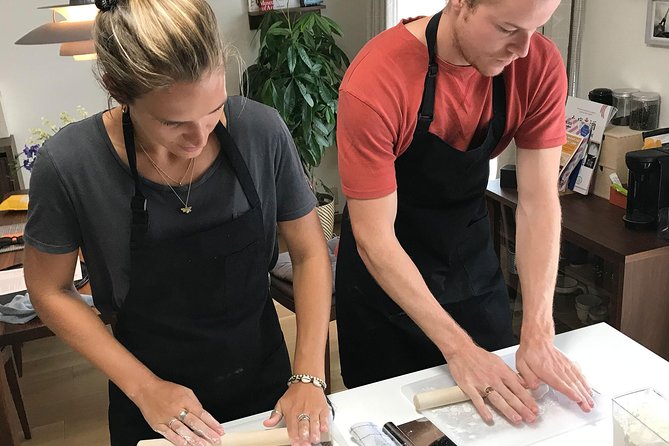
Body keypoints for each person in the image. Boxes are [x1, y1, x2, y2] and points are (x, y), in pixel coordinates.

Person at [23, 1, 332, 445]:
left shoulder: (261, 131)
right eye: (173, 123)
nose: (200, 136)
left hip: (267, 384)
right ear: (117, 89)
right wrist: (144, 387)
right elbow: (50, 291)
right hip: (151, 400)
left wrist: (309, 375)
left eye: (214, 109)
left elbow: (307, 253)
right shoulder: (70, 164)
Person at [335, 0, 595, 425]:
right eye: (508, 28)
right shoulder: (377, 80)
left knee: (498, 415)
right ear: (461, 3)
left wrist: (538, 331)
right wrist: (458, 350)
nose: (524, 49)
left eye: (537, 29)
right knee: (397, 423)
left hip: (466, 259)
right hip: (385, 283)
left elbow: (538, 202)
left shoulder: (537, 66)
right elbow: (374, 237)